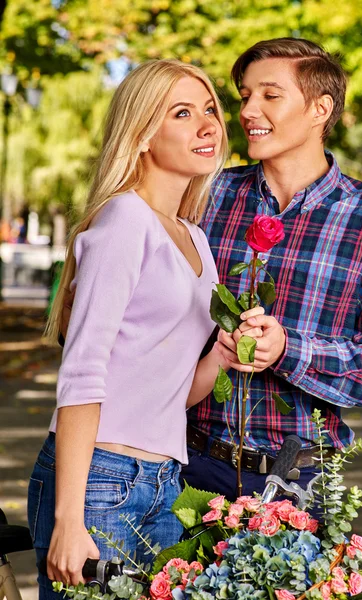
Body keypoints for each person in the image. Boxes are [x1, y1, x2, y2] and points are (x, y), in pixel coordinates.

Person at [27, 59, 238, 600]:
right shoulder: (124, 220)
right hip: (98, 480)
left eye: (210, 109)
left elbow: (170, 393)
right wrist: (69, 519)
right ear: (142, 133)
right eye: (183, 113)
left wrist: (218, 359)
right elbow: (83, 372)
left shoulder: (195, 238)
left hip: (164, 484)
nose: (208, 124)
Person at [182, 38, 362, 499]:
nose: (249, 110)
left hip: (297, 487)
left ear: (319, 109)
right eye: (245, 96)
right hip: (186, 470)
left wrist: (289, 349)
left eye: (270, 95)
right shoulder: (206, 197)